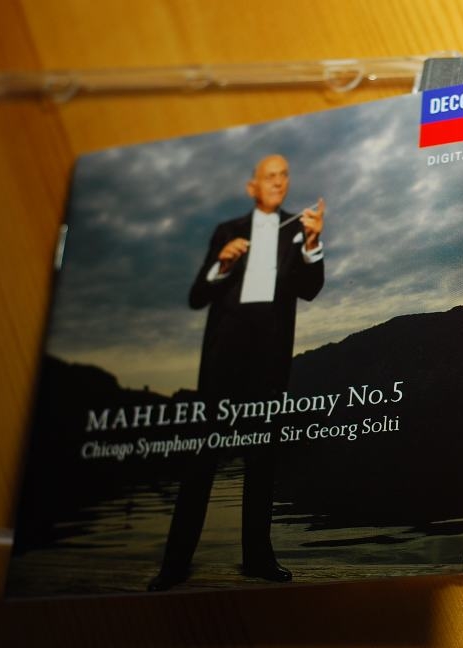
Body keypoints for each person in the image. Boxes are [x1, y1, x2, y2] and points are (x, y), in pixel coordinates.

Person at [149, 154, 325, 591]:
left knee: (262, 460)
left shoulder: (297, 230)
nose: (279, 182)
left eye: (284, 175)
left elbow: (309, 289)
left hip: (269, 361)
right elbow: (197, 297)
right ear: (252, 187)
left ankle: (258, 559)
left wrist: (312, 244)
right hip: (222, 361)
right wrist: (222, 264)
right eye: (270, 176)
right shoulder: (226, 231)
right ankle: (174, 565)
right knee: (200, 458)